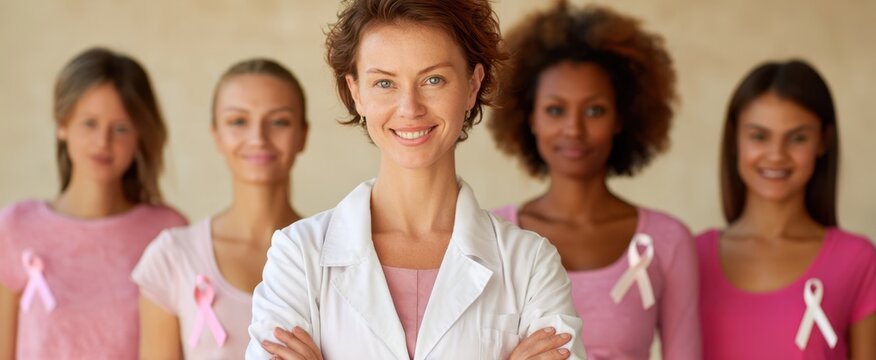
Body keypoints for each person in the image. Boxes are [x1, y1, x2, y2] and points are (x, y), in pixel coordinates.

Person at [246, 0, 585, 359]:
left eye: (433, 79)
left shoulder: (530, 263)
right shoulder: (299, 256)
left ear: (472, 85)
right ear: (356, 91)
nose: (410, 107)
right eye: (384, 83)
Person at [488, 2, 700, 359]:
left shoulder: (667, 241)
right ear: (530, 118)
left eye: (594, 110)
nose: (574, 129)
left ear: (621, 118)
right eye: (555, 110)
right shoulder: (492, 236)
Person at [0, 47, 187, 359]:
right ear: (62, 124)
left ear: (140, 135)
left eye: (121, 128)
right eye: (89, 123)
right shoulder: (15, 227)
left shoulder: (168, 231)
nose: (103, 141)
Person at [696, 59, 876, 359]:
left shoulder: (858, 261)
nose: (776, 155)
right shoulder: (691, 258)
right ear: (735, 139)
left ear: (823, 141)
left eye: (798, 138)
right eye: (759, 136)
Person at [133, 59, 309, 359]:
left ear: (303, 135)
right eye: (238, 121)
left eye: (279, 121)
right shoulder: (173, 256)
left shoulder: (330, 254)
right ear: (216, 135)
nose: (258, 139)